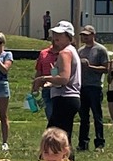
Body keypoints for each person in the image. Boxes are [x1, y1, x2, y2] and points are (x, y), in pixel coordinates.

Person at [33, 21, 81, 153]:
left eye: (59, 34)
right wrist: (51, 81)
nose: (55, 37)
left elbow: (64, 78)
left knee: (52, 137)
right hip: (70, 98)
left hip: (64, 98)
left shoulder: (64, 53)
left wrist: (43, 78)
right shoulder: (72, 51)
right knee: (64, 136)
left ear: (68, 36)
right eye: (54, 33)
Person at [77, 25, 109, 151]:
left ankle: (99, 143)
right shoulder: (80, 51)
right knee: (83, 117)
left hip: (95, 86)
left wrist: (90, 67)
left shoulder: (100, 50)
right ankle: (83, 143)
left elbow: (106, 68)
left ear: (93, 35)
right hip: (83, 86)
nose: (85, 37)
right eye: (83, 35)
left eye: (87, 35)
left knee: (97, 115)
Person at [33, 44, 57, 121]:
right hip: (46, 89)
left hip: (59, 89)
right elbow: (39, 71)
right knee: (50, 116)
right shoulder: (43, 53)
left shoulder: (64, 53)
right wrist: (34, 87)